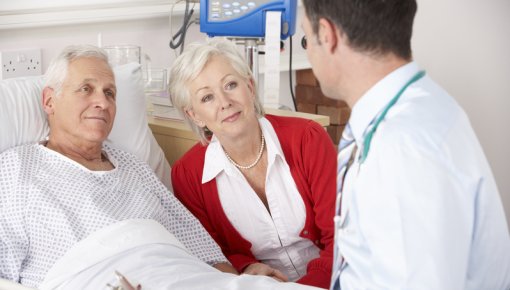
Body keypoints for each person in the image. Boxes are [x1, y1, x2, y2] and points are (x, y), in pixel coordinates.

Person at [300, 1, 510, 289]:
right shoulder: (414, 108)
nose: (309, 52)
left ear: (327, 35)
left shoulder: (401, 147)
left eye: (305, 39)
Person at [0, 44, 240, 288]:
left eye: (110, 93)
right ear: (50, 101)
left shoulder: (133, 165)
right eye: (86, 89)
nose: (102, 103)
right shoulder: (17, 168)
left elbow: (204, 250)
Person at [169, 39, 337, 289]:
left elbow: (343, 239)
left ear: (250, 86)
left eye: (231, 85)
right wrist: (245, 267)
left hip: (334, 278)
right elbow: (210, 253)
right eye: (207, 98)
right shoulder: (188, 175)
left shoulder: (308, 139)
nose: (225, 102)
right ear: (194, 115)